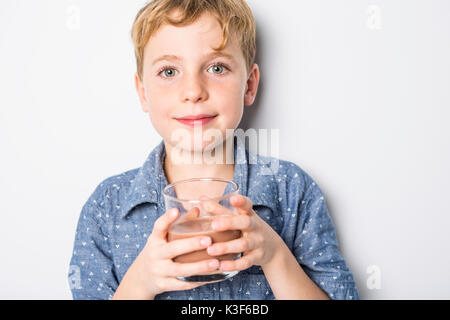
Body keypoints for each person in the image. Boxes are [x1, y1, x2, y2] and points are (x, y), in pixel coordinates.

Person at [68, 0, 359, 300]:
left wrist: (274, 255)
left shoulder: (292, 190)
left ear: (249, 85)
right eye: (169, 72)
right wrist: (140, 283)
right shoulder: (106, 206)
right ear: (143, 93)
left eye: (216, 67)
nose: (193, 91)